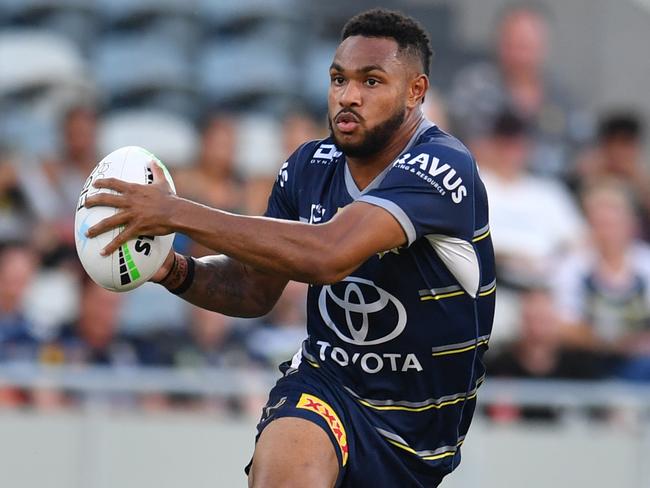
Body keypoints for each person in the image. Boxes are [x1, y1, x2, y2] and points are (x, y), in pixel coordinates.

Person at [83, 9, 495, 487]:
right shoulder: (306, 168)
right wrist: (171, 269)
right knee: (289, 452)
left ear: (415, 92)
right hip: (328, 388)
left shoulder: (443, 167)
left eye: (372, 81)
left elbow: (329, 254)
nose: (349, 96)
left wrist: (173, 212)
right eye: (338, 79)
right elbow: (251, 290)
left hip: (421, 435)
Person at [448, 3, 591, 180]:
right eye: (512, 45)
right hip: (486, 183)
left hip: (552, 191)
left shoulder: (563, 98)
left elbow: (584, 155)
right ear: (499, 44)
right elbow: (470, 144)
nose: (519, 55)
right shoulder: (475, 86)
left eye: (526, 46)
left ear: (544, 47)